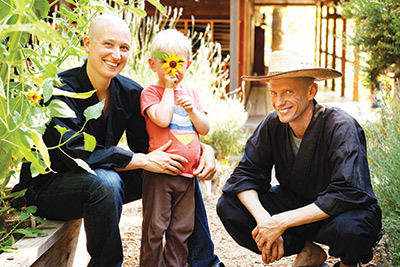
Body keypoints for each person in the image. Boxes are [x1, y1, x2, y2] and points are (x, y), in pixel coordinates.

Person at [12, 14, 223, 267]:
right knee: (107, 182)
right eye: (108, 44)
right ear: (87, 44)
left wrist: (202, 149)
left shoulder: (129, 92)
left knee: (175, 164)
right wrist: (139, 160)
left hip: (99, 183)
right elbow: (72, 152)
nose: (116, 54)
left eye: (123, 48)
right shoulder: (58, 89)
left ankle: (205, 261)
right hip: (49, 189)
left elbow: (154, 146)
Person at [216, 50, 382, 267]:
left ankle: (346, 264)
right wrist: (265, 220)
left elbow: (346, 193)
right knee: (229, 206)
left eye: (288, 91)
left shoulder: (340, 126)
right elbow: (245, 174)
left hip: (337, 214)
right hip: (297, 206)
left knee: (353, 229)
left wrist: (280, 222)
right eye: (274, 93)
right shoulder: (273, 124)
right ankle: (308, 251)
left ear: (311, 91)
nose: (279, 102)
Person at [139, 29, 210, 267]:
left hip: (187, 176)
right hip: (160, 174)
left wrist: (193, 111)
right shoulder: (151, 92)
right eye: (166, 63)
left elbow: (205, 128)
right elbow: (161, 118)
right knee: (155, 227)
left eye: (179, 63)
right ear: (152, 64)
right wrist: (169, 89)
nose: (173, 69)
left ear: (188, 64)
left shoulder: (192, 95)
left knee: (182, 228)